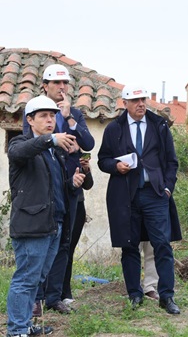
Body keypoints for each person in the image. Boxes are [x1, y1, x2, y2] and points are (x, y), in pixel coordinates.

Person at [98, 85, 182, 314]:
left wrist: (167, 189)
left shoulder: (159, 125)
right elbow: (102, 160)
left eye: (143, 99)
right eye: (135, 100)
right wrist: (115, 166)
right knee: (129, 245)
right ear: (124, 103)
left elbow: (172, 162)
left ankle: (167, 296)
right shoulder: (114, 129)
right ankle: (134, 294)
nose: (141, 104)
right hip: (126, 195)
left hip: (155, 194)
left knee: (162, 244)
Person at [7, 96, 84, 337]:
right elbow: (19, 152)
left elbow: (53, 188)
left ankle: (26, 325)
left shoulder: (53, 153)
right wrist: (51, 139)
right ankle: (16, 330)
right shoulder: (21, 143)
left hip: (53, 224)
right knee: (26, 278)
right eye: (44, 116)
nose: (50, 120)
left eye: (53, 116)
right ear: (30, 120)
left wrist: (71, 184)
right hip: (32, 225)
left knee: (37, 278)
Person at [25, 64, 95, 315]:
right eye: (57, 83)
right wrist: (63, 144)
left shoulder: (73, 112)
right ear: (45, 85)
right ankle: (37, 297)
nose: (63, 88)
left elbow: (87, 143)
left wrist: (68, 117)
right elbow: (31, 146)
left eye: (66, 83)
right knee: (43, 244)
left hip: (73, 188)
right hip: (47, 189)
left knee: (65, 244)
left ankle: (56, 296)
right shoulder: (34, 111)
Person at [62, 154, 94, 305]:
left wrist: (86, 169)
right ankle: (48, 291)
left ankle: (65, 291)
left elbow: (88, 184)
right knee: (56, 250)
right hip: (60, 203)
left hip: (78, 204)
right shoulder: (55, 151)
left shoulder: (78, 154)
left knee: (69, 249)